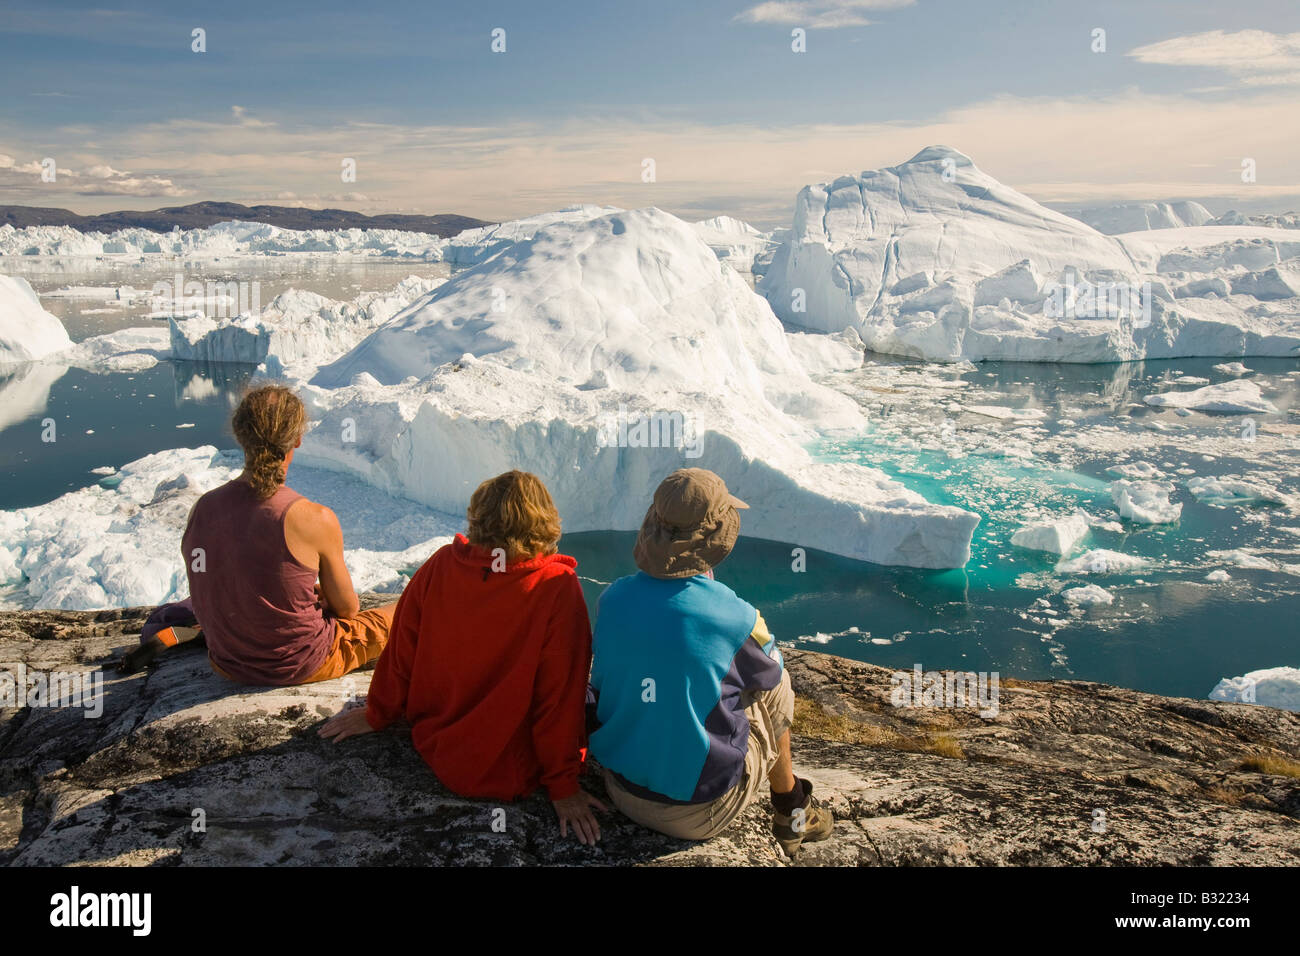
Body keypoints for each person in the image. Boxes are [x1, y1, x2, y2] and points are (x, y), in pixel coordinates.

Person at [319, 470, 605, 845]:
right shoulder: (554, 588)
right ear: (543, 523)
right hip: (509, 768)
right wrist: (563, 786)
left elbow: (402, 650)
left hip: (437, 744)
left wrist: (379, 713)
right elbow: (559, 698)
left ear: (479, 518)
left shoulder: (440, 564)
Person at [588, 468, 833, 854]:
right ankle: (792, 810)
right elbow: (767, 675)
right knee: (777, 686)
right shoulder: (737, 619)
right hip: (701, 812)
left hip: (619, 788)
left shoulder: (613, 598)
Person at [182, 384, 395, 686]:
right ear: (297, 439)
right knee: (407, 606)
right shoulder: (314, 518)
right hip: (300, 663)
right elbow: (348, 610)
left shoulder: (203, 509)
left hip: (227, 662)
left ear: (241, 435)